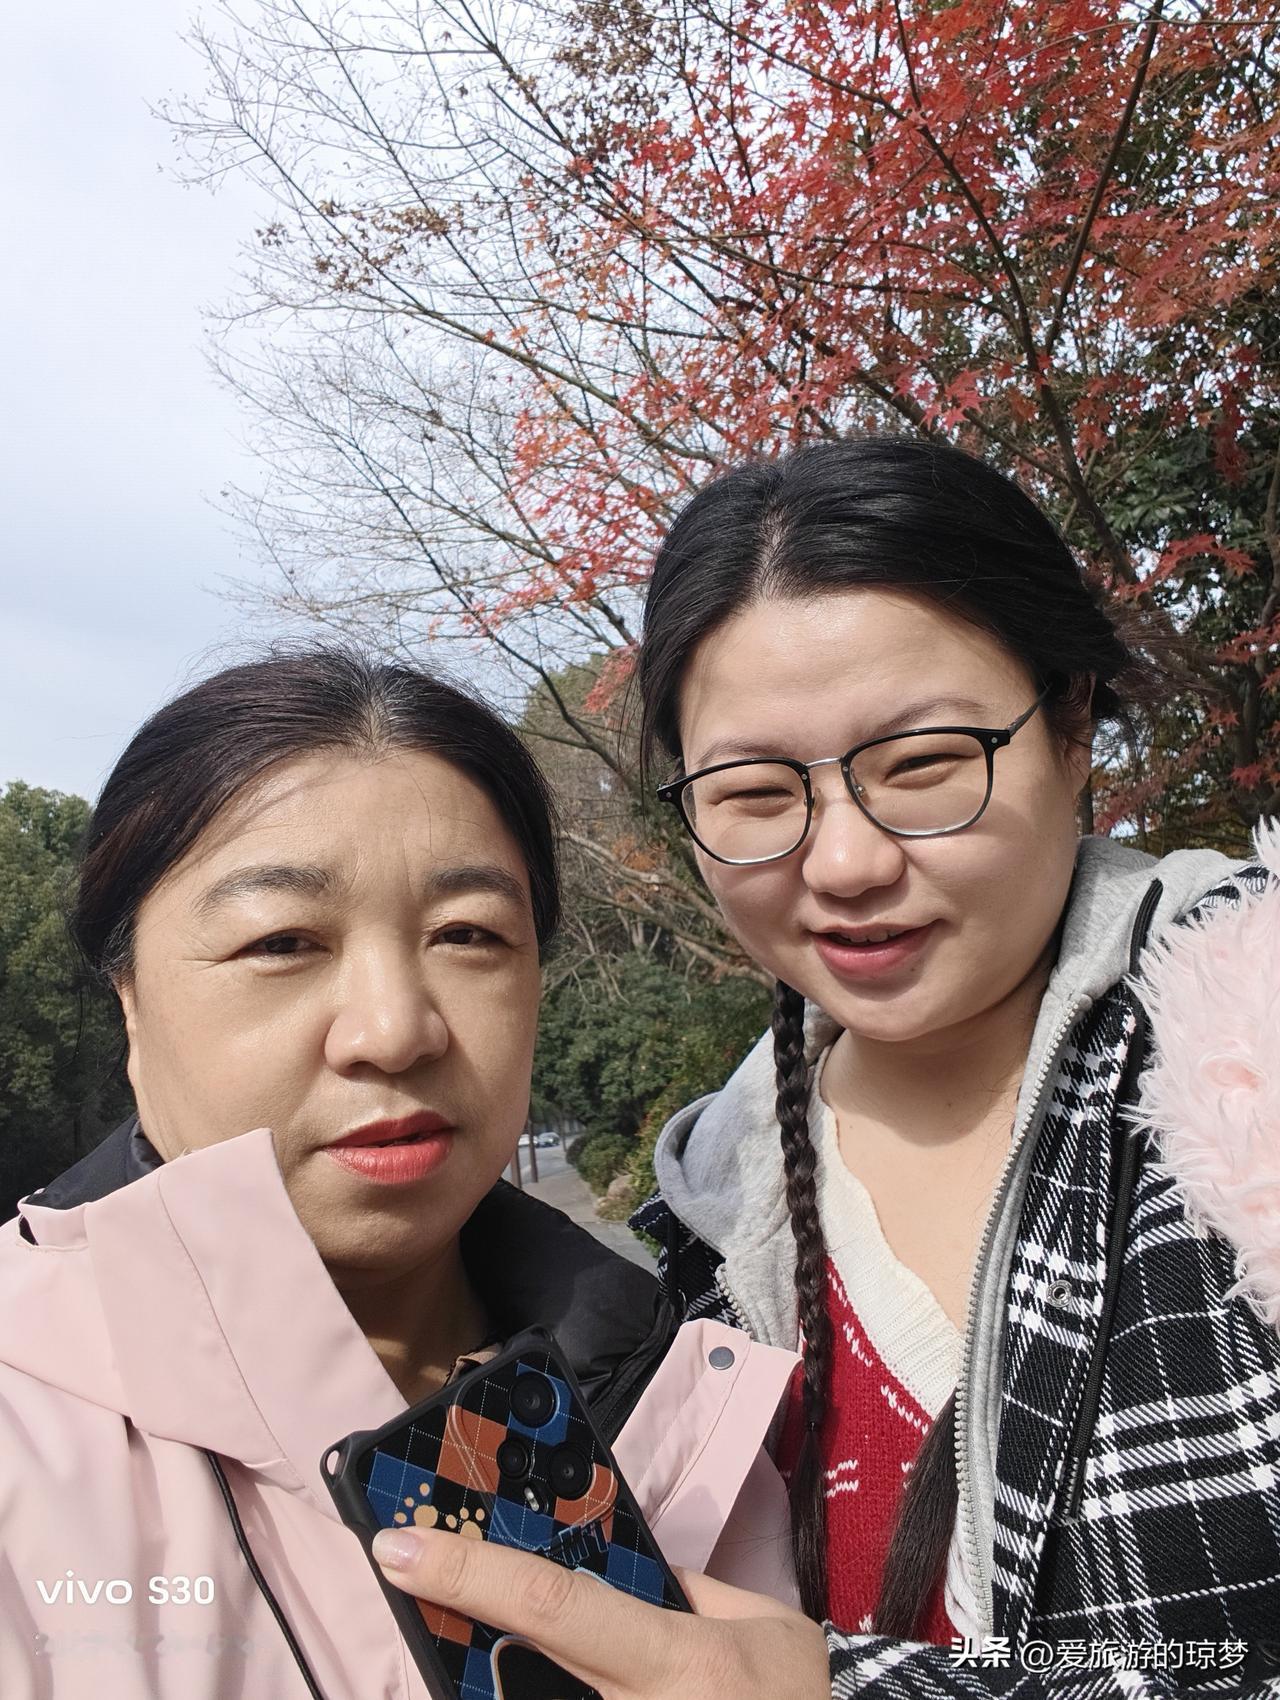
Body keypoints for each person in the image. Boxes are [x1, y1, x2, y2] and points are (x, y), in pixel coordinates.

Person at [369, 439, 1280, 1696]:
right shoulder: (711, 1218)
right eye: (752, 792)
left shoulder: (1245, 1047)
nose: (844, 862)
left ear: (1071, 722)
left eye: (922, 763)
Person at [0, 648, 796, 1699]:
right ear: (128, 999)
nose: (395, 1029)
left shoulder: (701, 1396)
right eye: (281, 941)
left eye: (467, 934)